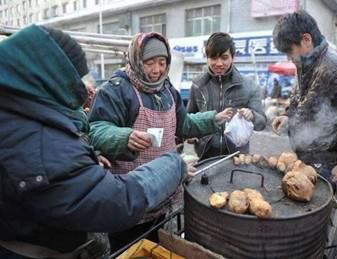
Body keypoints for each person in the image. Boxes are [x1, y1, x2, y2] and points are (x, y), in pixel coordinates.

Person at [0, 25, 188, 259]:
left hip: (152, 201)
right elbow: (114, 200)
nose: (84, 87)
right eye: (75, 78)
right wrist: (173, 164)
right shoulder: (116, 91)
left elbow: (64, 156)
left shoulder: (19, 110)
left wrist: (85, 156)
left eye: (162, 63)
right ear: (49, 77)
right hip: (37, 247)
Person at [88, 32, 232, 250]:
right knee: (130, 249)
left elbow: (182, 124)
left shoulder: (167, 90)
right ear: (137, 60)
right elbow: (96, 129)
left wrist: (213, 119)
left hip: (164, 191)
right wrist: (123, 137)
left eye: (162, 63)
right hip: (130, 197)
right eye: (149, 63)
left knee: (157, 245)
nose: (157, 70)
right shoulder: (116, 90)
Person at [271, 11, 337, 198]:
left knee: (316, 217)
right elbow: (299, 99)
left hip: (327, 162)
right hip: (304, 154)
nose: (288, 58)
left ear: (306, 39)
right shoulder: (305, 64)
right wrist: (287, 115)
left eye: (289, 51)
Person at [186, 32, 267, 160]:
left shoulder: (249, 85)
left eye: (224, 57)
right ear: (207, 58)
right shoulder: (198, 85)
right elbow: (188, 119)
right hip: (205, 154)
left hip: (237, 155)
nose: (219, 63)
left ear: (232, 57)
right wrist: (191, 134)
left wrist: (252, 115)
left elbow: (262, 122)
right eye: (213, 58)